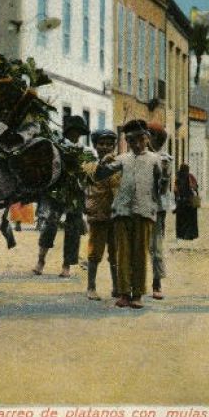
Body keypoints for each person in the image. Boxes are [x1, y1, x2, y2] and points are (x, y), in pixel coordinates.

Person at [95, 119, 167, 309]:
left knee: (140, 254)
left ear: (146, 139)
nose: (135, 144)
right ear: (126, 141)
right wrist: (104, 161)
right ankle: (124, 293)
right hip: (122, 211)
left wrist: (165, 177)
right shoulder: (122, 159)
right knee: (123, 254)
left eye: (139, 140)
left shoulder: (155, 160)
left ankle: (138, 294)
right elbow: (100, 175)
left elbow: (161, 186)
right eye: (131, 141)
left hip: (144, 211)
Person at [32, 115, 90, 277]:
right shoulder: (57, 146)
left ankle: (66, 266)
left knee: (73, 229)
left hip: (76, 193)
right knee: (50, 225)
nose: (75, 134)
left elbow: (88, 173)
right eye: (72, 131)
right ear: (67, 131)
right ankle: (41, 260)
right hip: (57, 191)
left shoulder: (85, 151)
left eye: (78, 132)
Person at [82, 128, 119, 301]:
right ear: (95, 146)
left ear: (114, 146)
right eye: (101, 144)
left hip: (116, 213)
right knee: (95, 252)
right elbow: (95, 174)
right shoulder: (89, 163)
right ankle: (91, 287)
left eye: (109, 144)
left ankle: (117, 286)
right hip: (97, 212)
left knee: (116, 252)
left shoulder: (118, 164)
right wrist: (104, 162)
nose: (105, 147)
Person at [147, 122, 173, 300]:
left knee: (156, 246)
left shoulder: (164, 159)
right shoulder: (139, 155)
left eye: (147, 136)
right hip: (140, 205)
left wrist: (163, 175)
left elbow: (163, 188)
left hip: (157, 208)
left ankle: (157, 282)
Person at [175, 164, 200, 240]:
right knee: (190, 219)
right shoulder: (190, 176)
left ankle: (180, 235)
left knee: (181, 219)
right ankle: (189, 235)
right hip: (190, 201)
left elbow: (176, 190)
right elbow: (195, 186)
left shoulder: (178, 177)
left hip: (181, 202)